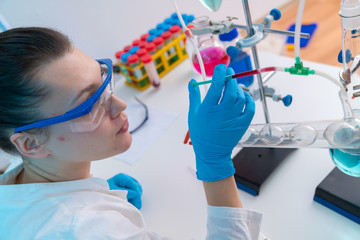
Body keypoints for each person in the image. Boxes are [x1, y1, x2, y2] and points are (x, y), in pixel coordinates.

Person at [0, 27, 262, 239]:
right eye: (89, 105)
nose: (120, 104)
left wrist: (94, 194)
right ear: (31, 144)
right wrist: (214, 164)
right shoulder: (90, 228)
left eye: (103, 80)